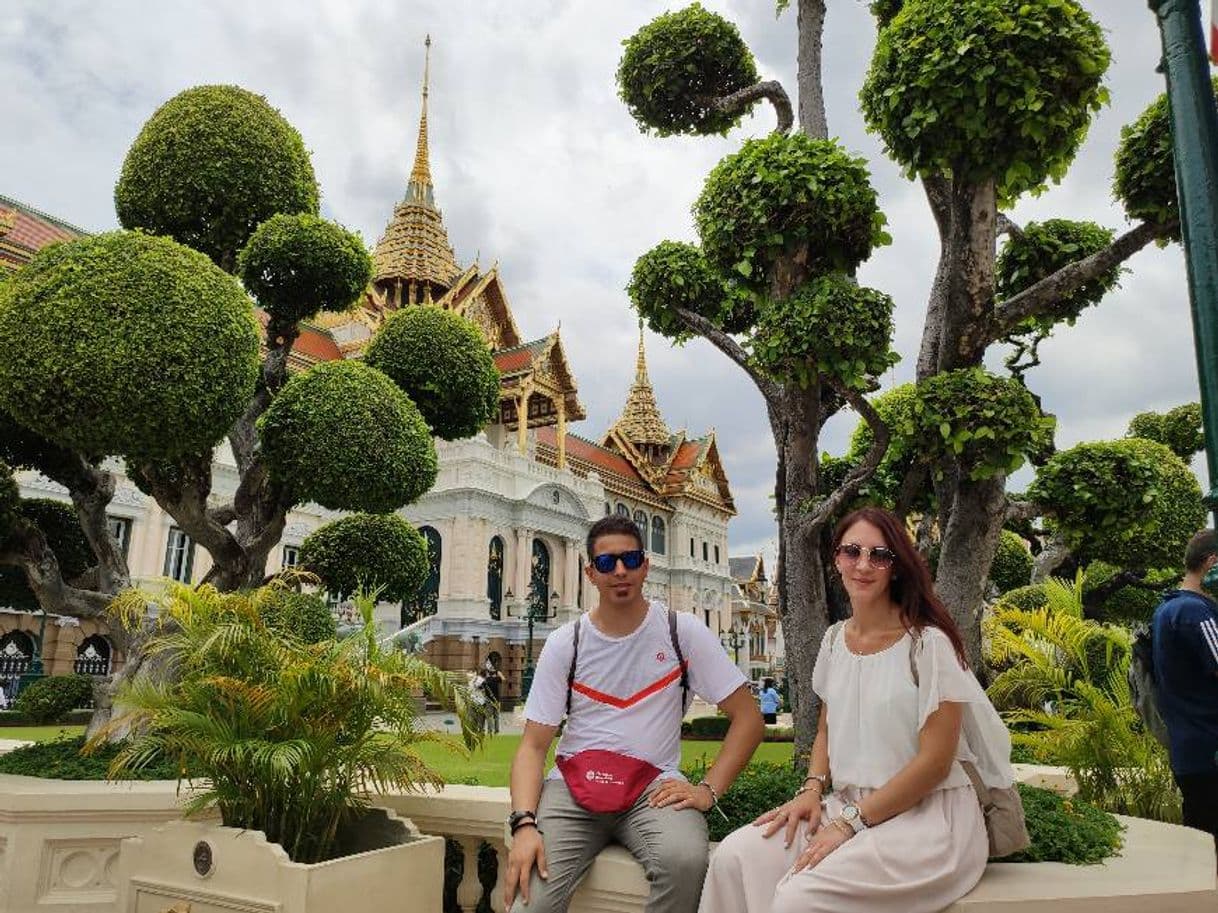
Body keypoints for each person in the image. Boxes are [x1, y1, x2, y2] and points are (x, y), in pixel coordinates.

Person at [700, 506, 1016, 913]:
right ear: (837, 561)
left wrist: (850, 822)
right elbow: (827, 732)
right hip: (848, 803)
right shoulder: (834, 640)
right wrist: (812, 790)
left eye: (879, 555)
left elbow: (936, 763)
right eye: (852, 552)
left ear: (896, 567)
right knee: (733, 858)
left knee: (800, 898)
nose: (863, 565)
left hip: (928, 817)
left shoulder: (928, 645)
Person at [505, 514, 764, 913]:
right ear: (590, 573)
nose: (620, 571)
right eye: (607, 563)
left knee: (685, 862)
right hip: (573, 789)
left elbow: (748, 718)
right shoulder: (566, 644)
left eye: (630, 559)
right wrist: (523, 824)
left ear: (646, 565)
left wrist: (707, 790)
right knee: (529, 902)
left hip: (653, 788)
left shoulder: (683, 633)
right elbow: (533, 746)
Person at [1151, 529, 1218, 850]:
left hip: (1189, 747)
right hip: (1208, 748)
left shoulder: (1169, 608)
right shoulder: (1195, 613)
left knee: (1200, 841)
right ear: (1212, 562)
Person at [482, 654, 504, 735]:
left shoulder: (486, 681)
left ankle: (490, 731)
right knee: (496, 716)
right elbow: (503, 679)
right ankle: (496, 731)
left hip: (489, 700)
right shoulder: (497, 679)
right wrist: (497, 672)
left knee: (489, 717)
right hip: (497, 700)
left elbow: (480, 685)